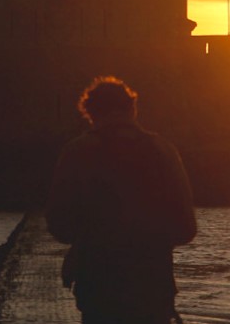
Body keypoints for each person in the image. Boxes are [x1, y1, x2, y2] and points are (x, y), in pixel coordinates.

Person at [46, 76, 197, 324]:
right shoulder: (162, 150)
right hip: (152, 286)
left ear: (90, 112)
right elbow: (186, 228)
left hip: (99, 287)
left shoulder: (77, 151)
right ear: (132, 109)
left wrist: (88, 239)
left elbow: (59, 223)